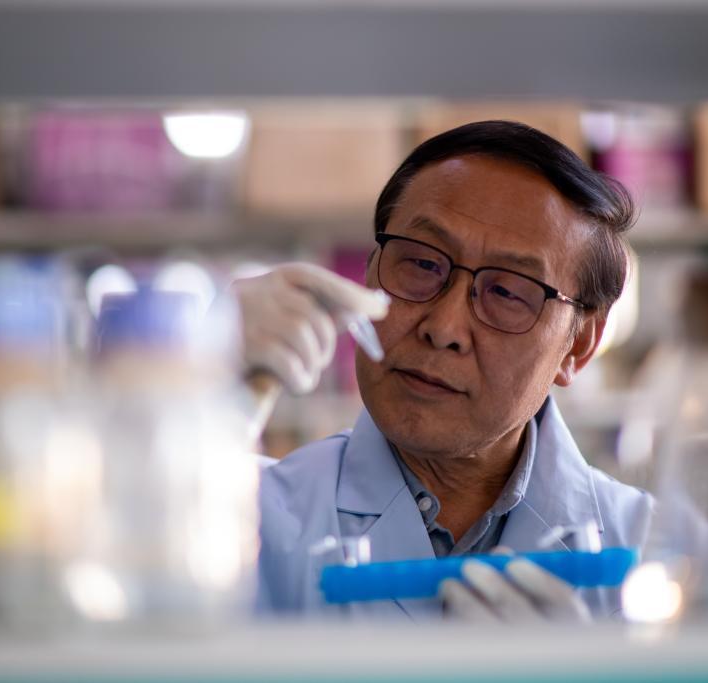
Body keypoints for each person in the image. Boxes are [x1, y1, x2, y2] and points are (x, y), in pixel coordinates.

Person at [235, 121, 682, 621]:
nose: (443, 327)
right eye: (421, 264)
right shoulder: (244, 520)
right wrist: (206, 377)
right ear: (370, 270)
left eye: (507, 292)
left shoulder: (655, 552)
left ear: (578, 345)